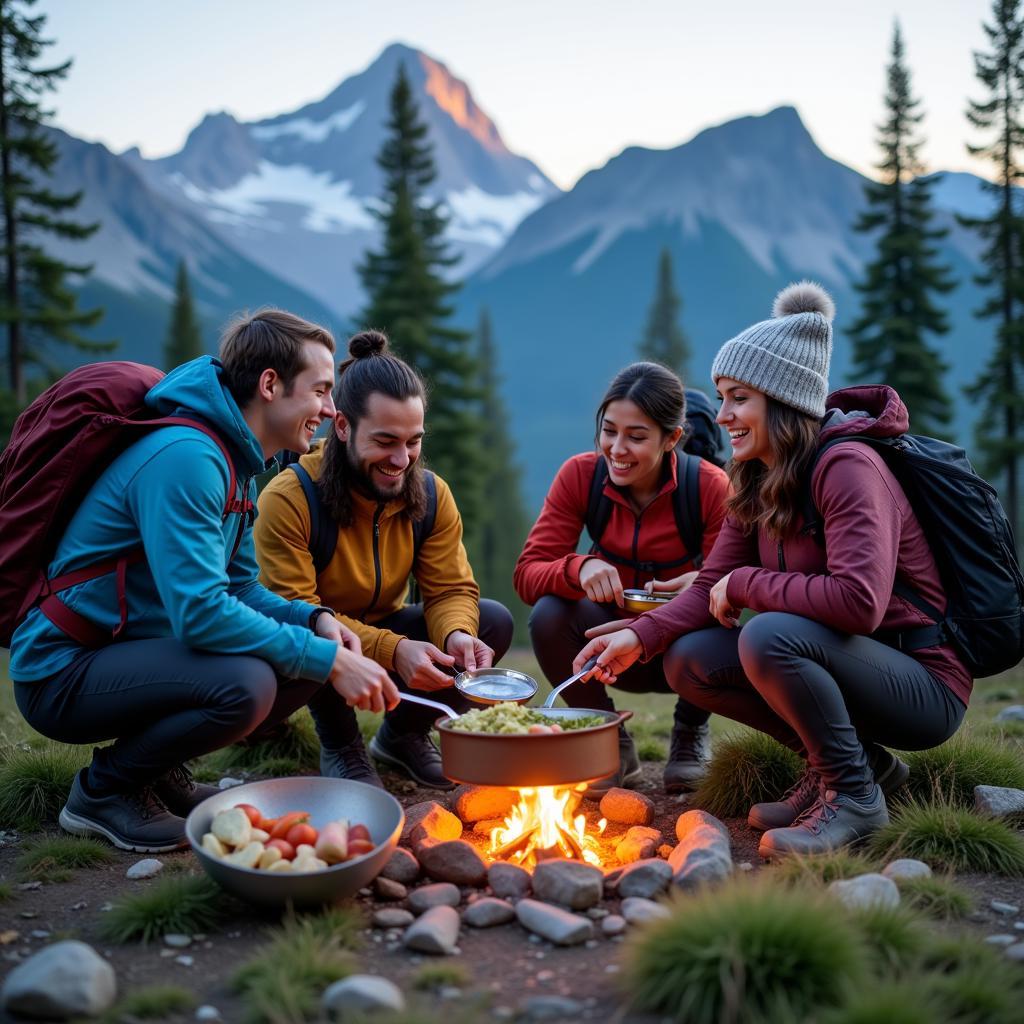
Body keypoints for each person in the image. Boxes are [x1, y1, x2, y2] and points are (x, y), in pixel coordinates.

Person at [574, 282, 970, 856]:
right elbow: (712, 582)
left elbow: (860, 603)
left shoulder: (848, 468)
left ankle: (854, 797)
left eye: (738, 398)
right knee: (691, 660)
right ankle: (847, 768)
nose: (723, 415)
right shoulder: (757, 476)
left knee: (768, 634)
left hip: (920, 678)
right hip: (852, 662)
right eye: (722, 396)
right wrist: (641, 634)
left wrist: (749, 584)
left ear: (782, 402)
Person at [10, 308, 399, 853]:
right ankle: (102, 793)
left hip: (127, 652)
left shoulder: (234, 463)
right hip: (62, 670)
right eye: (321, 390)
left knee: (310, 647)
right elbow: (200, 612)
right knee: (249, 684)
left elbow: (239, 589)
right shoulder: (188, 459)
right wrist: (329, 659)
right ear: (270, 385)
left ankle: (157, 772)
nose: (331, 409)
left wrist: (316, 620)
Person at [254, 329, 514, 791]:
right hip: (310, 635)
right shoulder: (291, 498)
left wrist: (456, 634)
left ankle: (403, 738)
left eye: (414, 441)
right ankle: (341, 745)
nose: (402, 459)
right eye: (386, 441)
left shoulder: (432, 494)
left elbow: (450, 588)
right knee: (316, 633)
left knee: (489, 621)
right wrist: (394, 650)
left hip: (385, 622)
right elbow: (295, 612)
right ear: (342, 427)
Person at [513, 361, 732, 797]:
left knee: (714, 615)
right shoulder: (581, 475)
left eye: (636, 436)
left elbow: (735, 585)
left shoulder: (709, 486)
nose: (617, 448)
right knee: (550, 614)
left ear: (672, 439)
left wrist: (702, 584)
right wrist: (579, 567)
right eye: (609, 430)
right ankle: (608, 740)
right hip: (605, 653)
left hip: (680, 650)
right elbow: (528, 572)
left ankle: (689, 734)